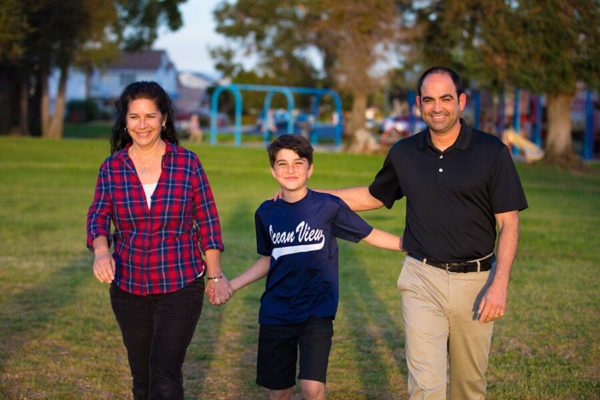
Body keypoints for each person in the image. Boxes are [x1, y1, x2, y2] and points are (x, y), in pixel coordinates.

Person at [310, 67, 528, 399]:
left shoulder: (491, 151)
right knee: (426, 387)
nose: (437, 107)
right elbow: (373, 196)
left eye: (446, 98)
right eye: (429, 100)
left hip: (476, 282)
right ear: (418, 104)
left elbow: (509, 223)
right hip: (421, 278)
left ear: (461, 101)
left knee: (469, 387)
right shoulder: (404, 152)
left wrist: (499, 284)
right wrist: (309, 198)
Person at [224, 134, 404, 400]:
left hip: (316, 311)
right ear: (273, 171)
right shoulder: (265, 212)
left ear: (310, 168)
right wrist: (232, 285)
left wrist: (409, 244)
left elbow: (370, 234)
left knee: (312, 387)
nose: (291, 170)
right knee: (280, 391)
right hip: (276, 312)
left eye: (298, 163)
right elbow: (268, 259)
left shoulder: (328, 206)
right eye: (282, 164)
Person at [86, 81, 233, 400]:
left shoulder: (187, 163)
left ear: (164, 119)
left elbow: (207, 220)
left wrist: (216, 275)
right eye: (134, 117)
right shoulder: (112, 168)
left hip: (180, 282)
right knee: (142, 377)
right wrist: (101, 252)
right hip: (128, 286)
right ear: (125, 120)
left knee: (164, 372)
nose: (142, 125)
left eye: (150, 116)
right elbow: (98, 215)